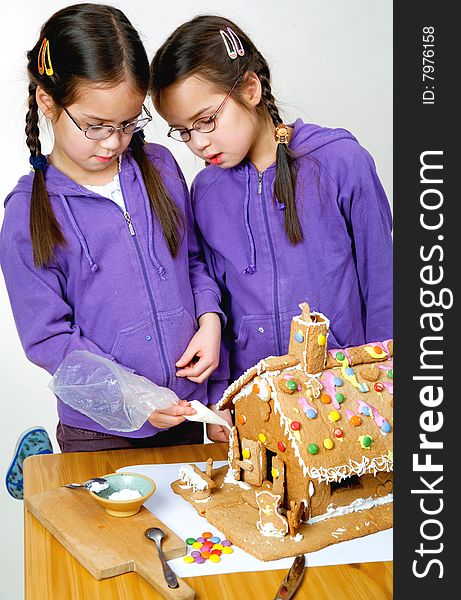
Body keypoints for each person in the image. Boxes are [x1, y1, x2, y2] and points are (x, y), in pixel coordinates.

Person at [0, 4, 232, 453]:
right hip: (98, 435)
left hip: (186, 413)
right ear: (48, 102)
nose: (114, 141)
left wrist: (209, 321)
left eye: (127, 124)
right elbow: (48, 339)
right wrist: (133, 398)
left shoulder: (160, 168)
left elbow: (193, 260)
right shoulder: (28, 212)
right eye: (95, 126)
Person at [150, 15, 393, 405]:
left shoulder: (339, 162)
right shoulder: (206, 191)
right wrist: (221, 398)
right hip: (259, 405)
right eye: (183, 131)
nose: (197, 142)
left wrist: (385, 388)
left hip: (349, 398)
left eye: (207, 120)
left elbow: (384, 283)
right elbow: (216, 300)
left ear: (250, 88)